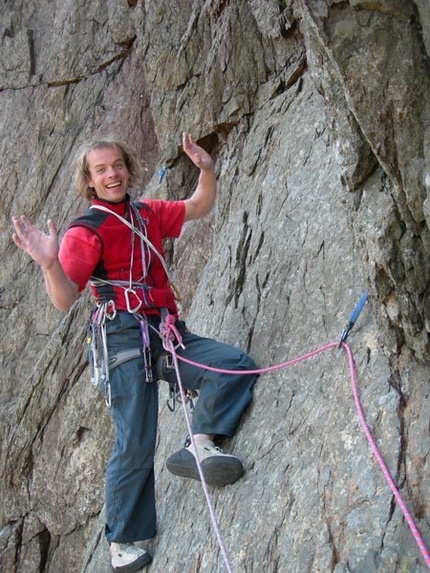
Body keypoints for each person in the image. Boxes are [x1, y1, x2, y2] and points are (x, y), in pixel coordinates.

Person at [12, 133, 258, 572]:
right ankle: (121, 541)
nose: (112, 174)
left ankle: (199, 443)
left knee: (232, 365)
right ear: (88, 181)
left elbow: (198, 206)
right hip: (122, 338)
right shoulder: (87, 230)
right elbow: (66, 298)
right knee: (137, 439)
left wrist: (206, 169)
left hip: (163, 331)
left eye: (117, 165)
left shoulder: (146, 214)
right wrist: (50, 263)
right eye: (101, 169)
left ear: (127, 168)